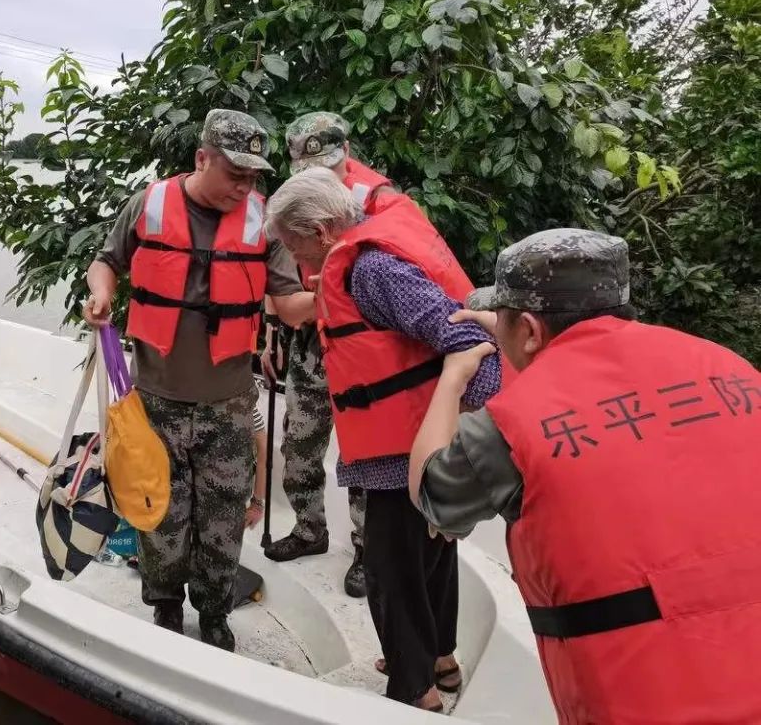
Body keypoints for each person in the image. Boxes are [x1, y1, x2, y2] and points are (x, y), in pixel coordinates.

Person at [409, 228, 761, 724]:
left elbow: (433, 493)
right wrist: (513, 331)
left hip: (641, 700)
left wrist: (452, 380)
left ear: (529, 329)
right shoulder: (731, 368)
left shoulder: (511, 426)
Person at [264, 167, 501, 711]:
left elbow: (460, 329)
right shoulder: (358, 263)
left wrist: (485, 419)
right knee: (432, 556)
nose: (292, 258)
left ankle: (413, 692)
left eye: (292, 243)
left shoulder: (370, 271)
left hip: (408, 449)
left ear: (322, 231)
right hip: (414, 440)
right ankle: (439, 660)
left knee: (389, 571)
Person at [83, 109, 314, 653]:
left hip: (229, 406)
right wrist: (102, 292)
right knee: (159, 514)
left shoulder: (263, 222)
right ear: (201, 158)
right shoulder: (149, 204)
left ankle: (213, 614)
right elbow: (105, 261)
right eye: (234, 172)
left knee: (223, 521)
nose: (244, 185)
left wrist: (329, 295)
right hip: (156, 401)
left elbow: (288, 304)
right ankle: (165, 607)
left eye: (253, 176)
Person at [260, 112, 423, 596]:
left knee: (363, 449)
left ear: (346, 152)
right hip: (311, 337)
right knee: (300, 441)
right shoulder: (298, 202)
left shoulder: (383, 203)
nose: (320, 174)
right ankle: (310, 529)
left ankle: (366, 549)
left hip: (364, 343)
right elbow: (280, 274)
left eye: (328, 164)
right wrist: (272, 325)